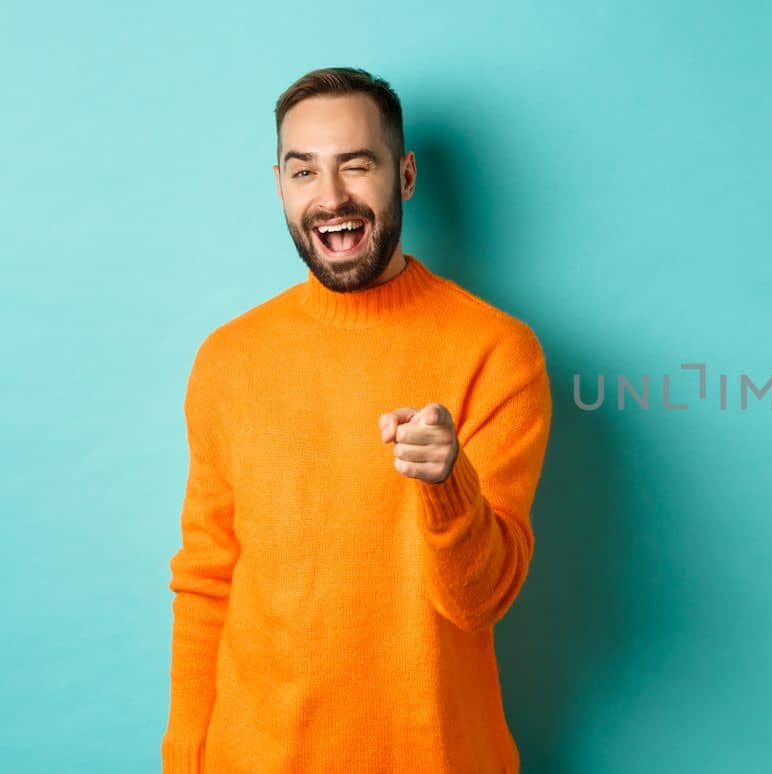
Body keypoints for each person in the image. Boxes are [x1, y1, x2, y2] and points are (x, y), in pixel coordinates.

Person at [160, 66, 552, 773]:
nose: (331, 197)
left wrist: (447, 483)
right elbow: (206, 578)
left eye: (356, 166)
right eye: (305, 172)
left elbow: (480, 602)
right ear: (279, 182)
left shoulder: (496, 352)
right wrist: (184, 753)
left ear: (403, 175)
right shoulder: (228, 358)